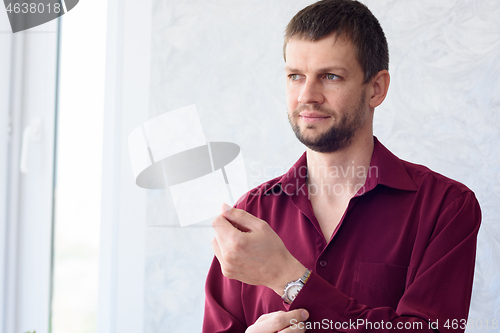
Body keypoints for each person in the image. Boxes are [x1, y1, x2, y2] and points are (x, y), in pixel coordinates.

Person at [203, 0, 481, 332]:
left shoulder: (445, 208)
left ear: (376, 89)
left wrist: (288, 277)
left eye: (330, 76)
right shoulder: (252, 213)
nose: (307, 95)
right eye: (295, 76)